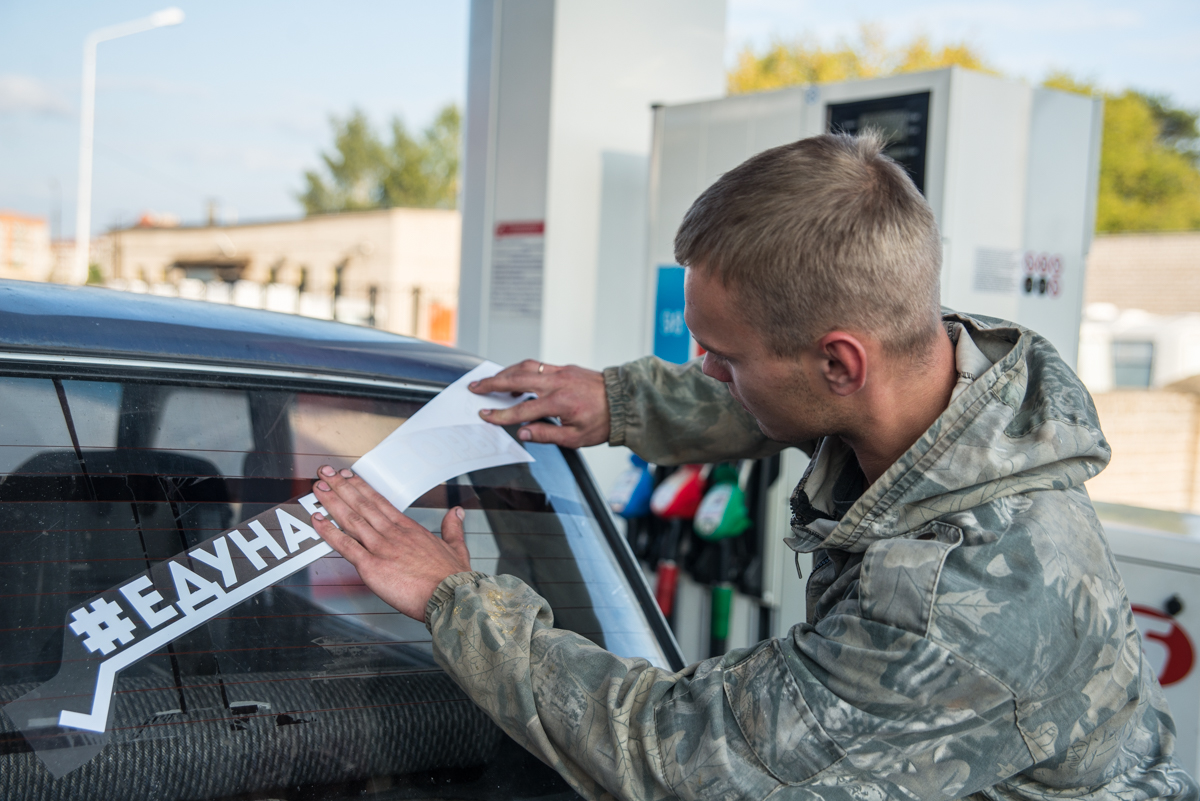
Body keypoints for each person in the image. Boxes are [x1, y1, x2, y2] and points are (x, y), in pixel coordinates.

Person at [309, 132, 1198, 801]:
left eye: (722, 354)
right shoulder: (952, 378)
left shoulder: (950, 609)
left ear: (840, 362)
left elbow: (679, 756)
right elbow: (777, 401)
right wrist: (620, 401)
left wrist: (454, 600)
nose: (705, 370)